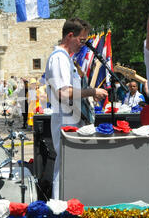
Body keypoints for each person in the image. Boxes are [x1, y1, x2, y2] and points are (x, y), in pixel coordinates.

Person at [45, 18, 108, 199]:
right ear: (70, 36)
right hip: (65, 120)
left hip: (72, 118)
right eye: (82, 40)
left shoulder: (66, 59)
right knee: (65, 166)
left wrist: (88, 94)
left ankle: (70, 205)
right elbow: (63, 93)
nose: (83, 45)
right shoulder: (59, 58)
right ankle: (60, 207)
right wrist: (92, 91)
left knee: (72, 166)